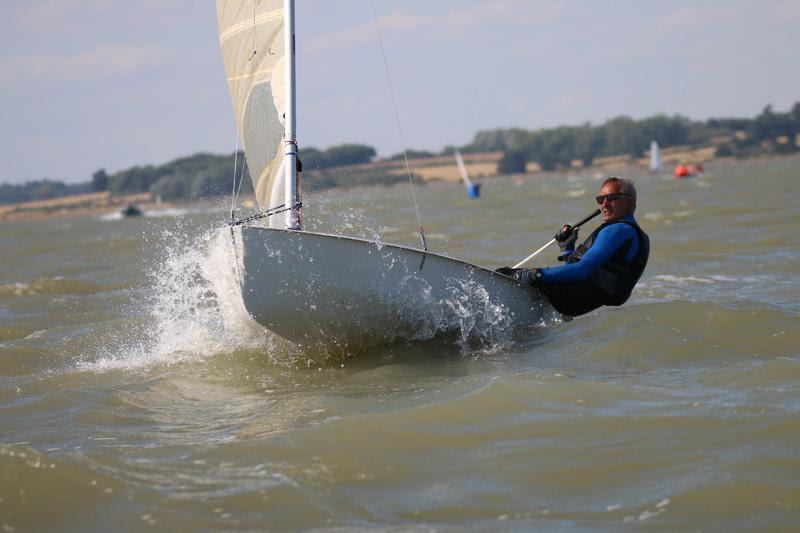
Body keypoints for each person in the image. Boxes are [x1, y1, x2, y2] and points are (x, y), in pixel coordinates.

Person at [499, 176, 650, 317]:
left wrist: (533, 274)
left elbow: (581, 271)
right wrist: (568, 248)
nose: (604, 204)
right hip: (581, 303)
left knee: (505, 273)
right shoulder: (634, 234)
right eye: (601, 199)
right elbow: (579, 272)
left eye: (611, 198)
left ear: (631, 203)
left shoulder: (619, 230)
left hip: (576, 300)